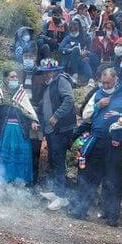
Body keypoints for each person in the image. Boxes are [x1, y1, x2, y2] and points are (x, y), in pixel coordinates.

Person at [71, 68, 122, 225]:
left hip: (115, 143)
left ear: (115, 79)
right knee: (89, 176)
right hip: (96, 141)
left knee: (113, 179)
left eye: (108, 83)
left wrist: (121, 116)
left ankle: (111, 216)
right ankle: (81, 209)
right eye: (102, 82)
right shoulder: (97, 94)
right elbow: (85, 116)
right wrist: (97, 106)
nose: (104, 85)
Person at [0, 70, 40, 185]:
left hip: (20, 131)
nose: (15, 79)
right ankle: (2, 180)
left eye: (16, 77)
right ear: (5, 79)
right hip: (3, 131)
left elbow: (28, 111)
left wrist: (33, 121)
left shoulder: (21, 94)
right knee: (3, 156)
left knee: (21, 155)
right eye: (12, 77)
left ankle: (19, 180)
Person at [35, 58, 75, 211]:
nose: (46, 75)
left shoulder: (61, 81)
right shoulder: (49, 85)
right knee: (53, 160)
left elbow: (69, 99)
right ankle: (56, 191)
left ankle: (62, 197)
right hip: (52, 130)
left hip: (62, 129)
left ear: (54, 71)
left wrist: (57, 115)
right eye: (44, 73)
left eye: (48, 72)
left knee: (58, 162)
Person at [59, 20, 92, 85]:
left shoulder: (84, 37)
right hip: (69, 58)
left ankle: (90, 79)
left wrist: (85, 52)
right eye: (72, 31)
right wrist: (70, 50)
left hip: (81, 57)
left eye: (75, 30)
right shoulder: (68, 38)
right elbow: (60, 49)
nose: (73, 32)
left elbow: (90, 50)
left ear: (79, 29)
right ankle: (75, 74)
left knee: (84, 60)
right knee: (75, 50)